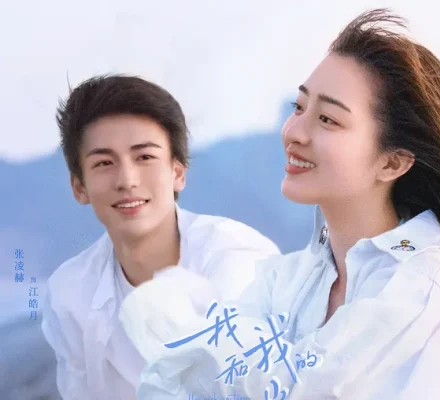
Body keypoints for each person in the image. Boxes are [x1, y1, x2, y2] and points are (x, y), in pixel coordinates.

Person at [119, 5, 440, 400]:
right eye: (299, 107)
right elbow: (171, 378)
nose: (294, 131)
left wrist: (208, 348)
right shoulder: (286, 278)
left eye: (328, 119)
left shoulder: (418, 289)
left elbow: (296, 387)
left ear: (392, 162)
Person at [40, 74, 280, 400]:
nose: (127, 180)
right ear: (79, 187)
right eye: (104, 163)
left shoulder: (237, 259)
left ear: (177, 172)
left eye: (145, 157)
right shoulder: (70, 293)